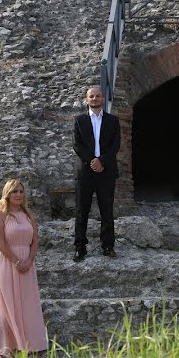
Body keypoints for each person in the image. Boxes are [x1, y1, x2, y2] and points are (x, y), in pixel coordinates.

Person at [0, 178, 48, 358]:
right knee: (8, 305)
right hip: (7, 262)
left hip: (27, 263)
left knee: (28, 304)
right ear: (7, 194)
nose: (18, 195)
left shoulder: (29, 215)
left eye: (21, 191)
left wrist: (30, 260)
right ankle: (8, 348)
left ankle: (33, 345)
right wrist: (16, 262)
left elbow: (35, 240)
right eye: (14, 191)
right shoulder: (0, 215)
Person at [72, 85, 121, 262]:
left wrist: (101, 161)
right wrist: (92, 161)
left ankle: (108, 246)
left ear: (103, 98)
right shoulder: (79, 120)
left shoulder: (113, 120)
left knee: (106, 210)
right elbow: (77, 144)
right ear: (87, 99)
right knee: (81, 210)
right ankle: (80, 247)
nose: (94, 99)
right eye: (91, 96)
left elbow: (115, 145)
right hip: (85, 172)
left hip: (106, 171)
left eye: (98, 96)